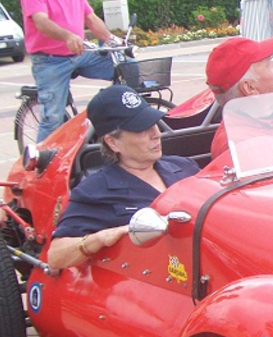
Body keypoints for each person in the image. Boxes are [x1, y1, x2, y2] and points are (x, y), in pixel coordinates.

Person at [47, 85, 200, 270]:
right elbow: (56, 256)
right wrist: (100, 238)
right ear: (113, 142)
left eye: (154, 124)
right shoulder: (95, 192)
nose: (156, 134)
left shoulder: (184, 167)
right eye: (142, 130)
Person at [21, 0, 119, 144]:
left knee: (124, 68)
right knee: (52, 117)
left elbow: (90, 18)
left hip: (80, 54)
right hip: (49, 61)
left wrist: (112, 40)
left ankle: (107, 122)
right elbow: (41, 21)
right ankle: (40, 166)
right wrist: (67, 36)